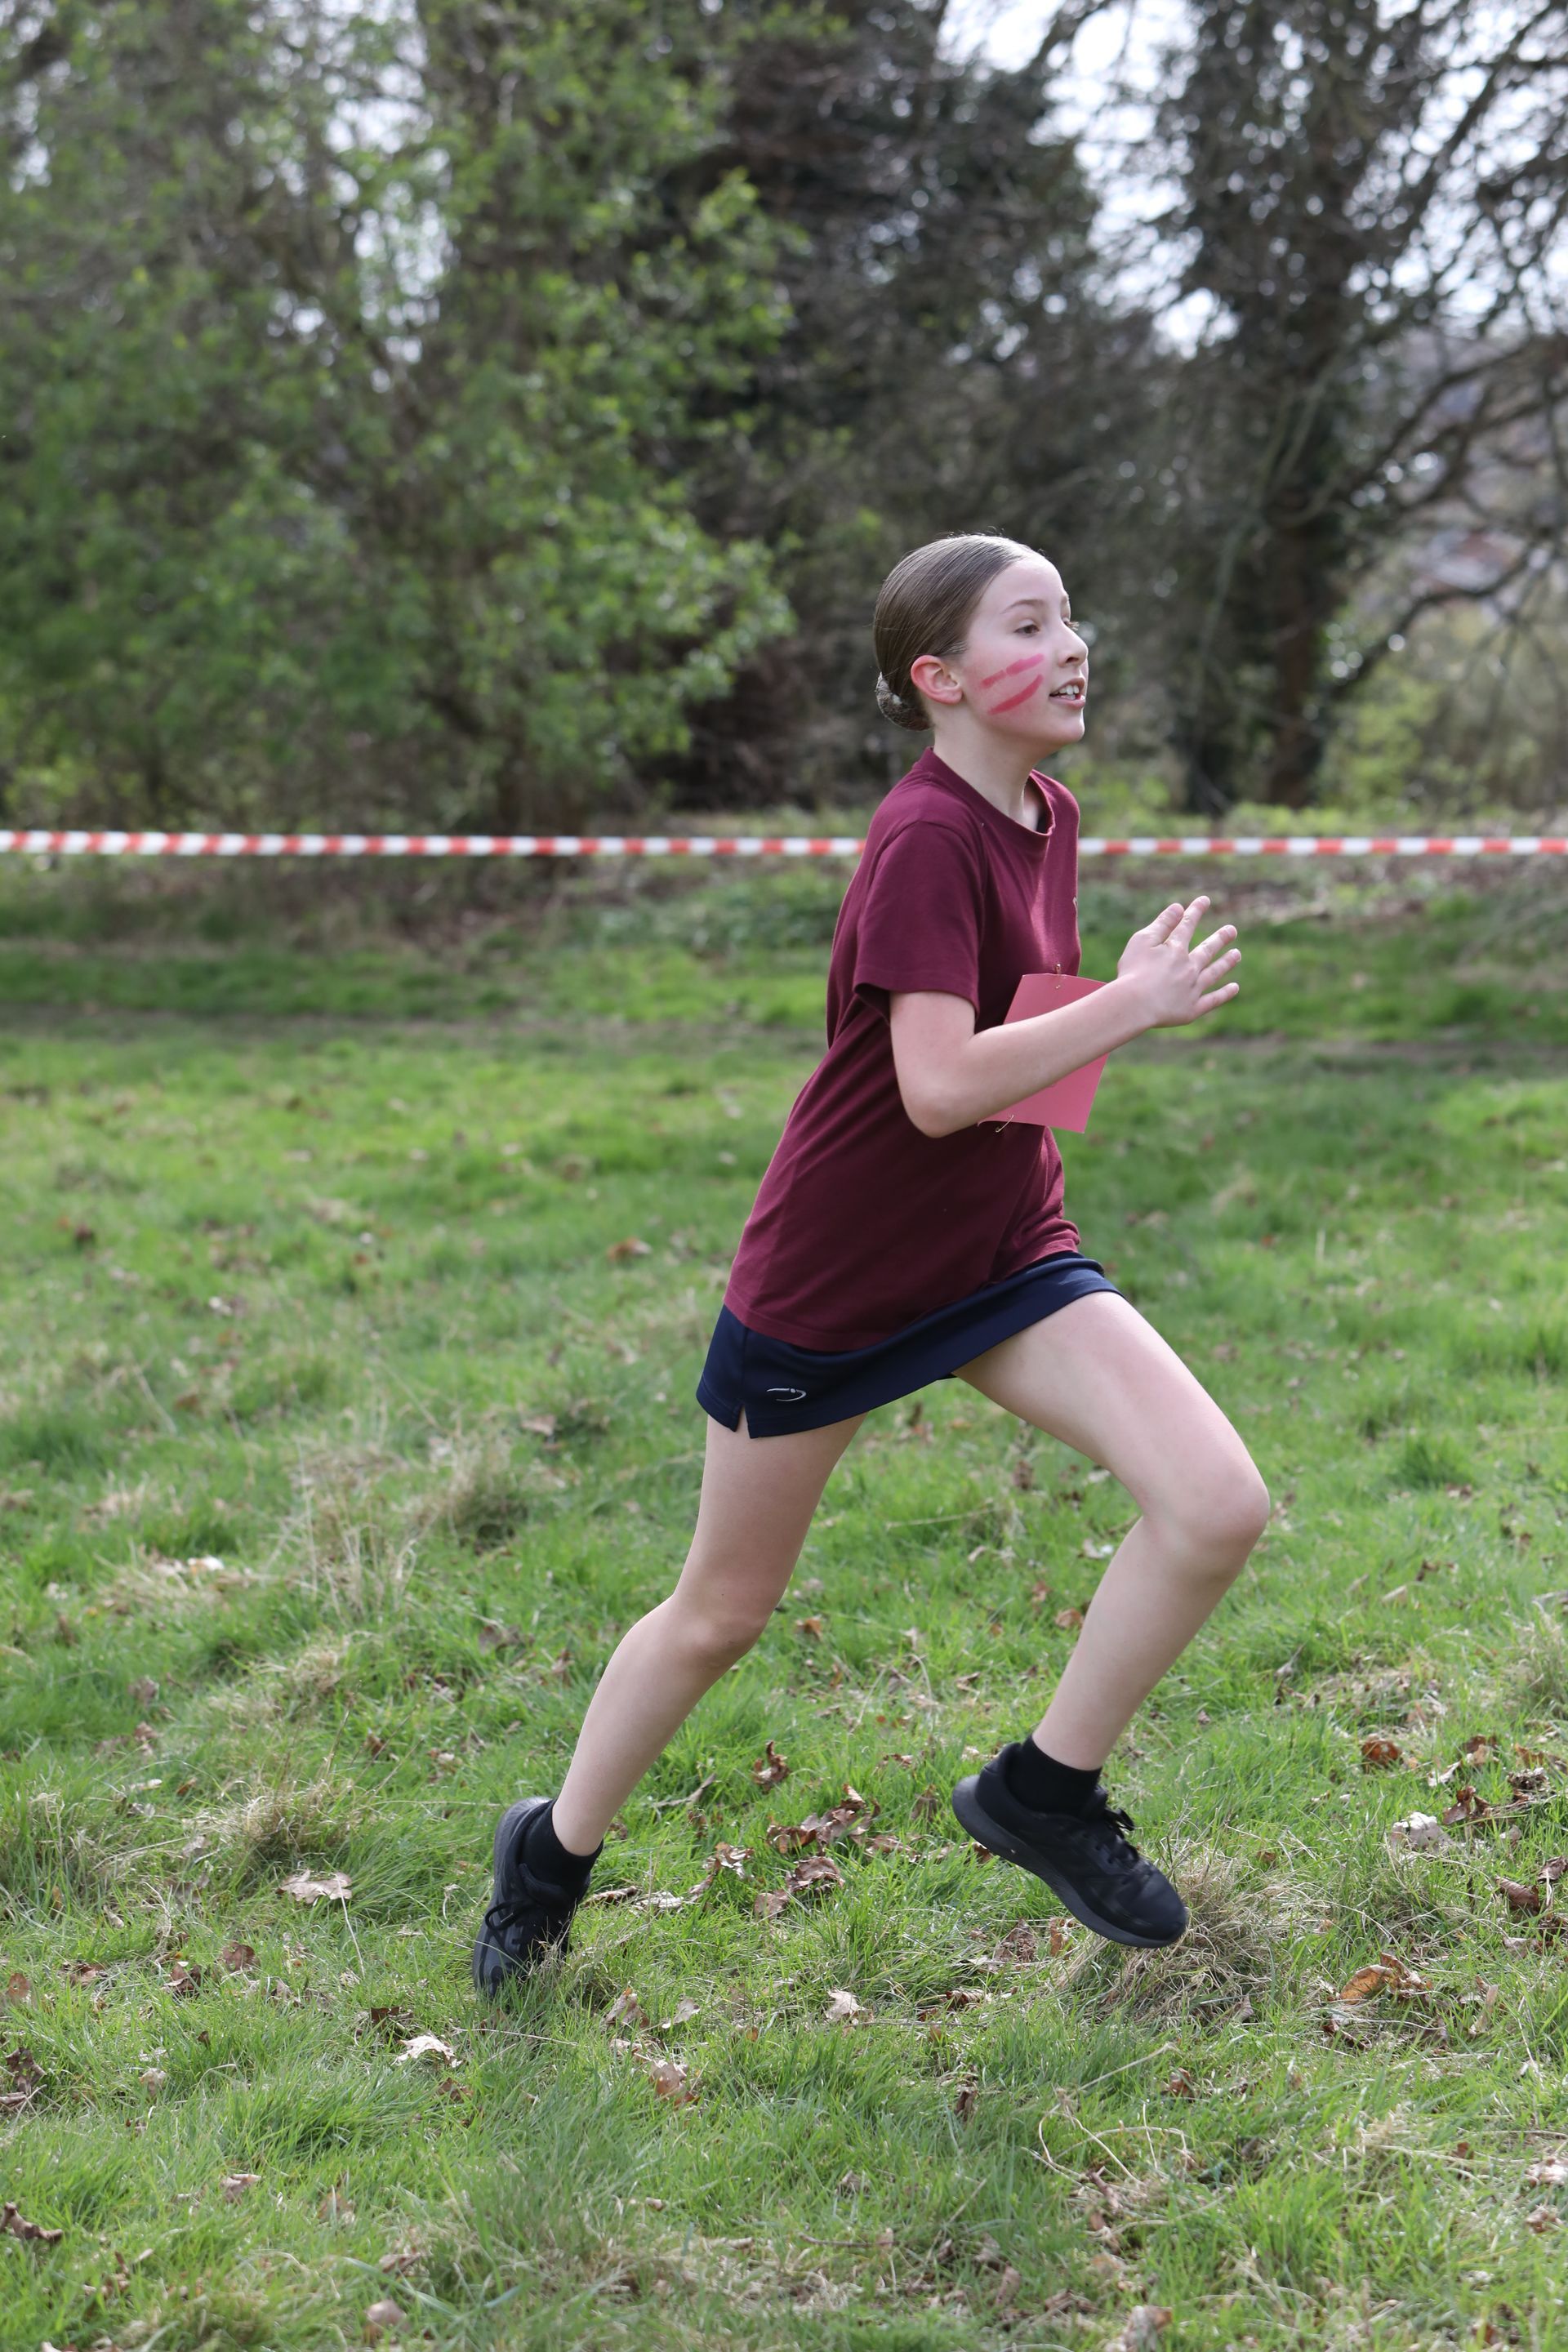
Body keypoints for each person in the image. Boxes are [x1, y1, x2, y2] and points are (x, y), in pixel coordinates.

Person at [474, 530, 1268, 1996]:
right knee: (722, 1610)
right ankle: (551, 1857)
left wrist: (1049, 1173)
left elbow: (1009, 1058)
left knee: (1218, 1503)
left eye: (1073, 614)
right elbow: (936, 1083)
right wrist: (1135, 1006)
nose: (1075, 642)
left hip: (1001, 1253)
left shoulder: (1045, 810)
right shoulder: (922, 837)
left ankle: (1042, 1792)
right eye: (1036, 622)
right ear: (943, 677)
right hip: (835, 1283)